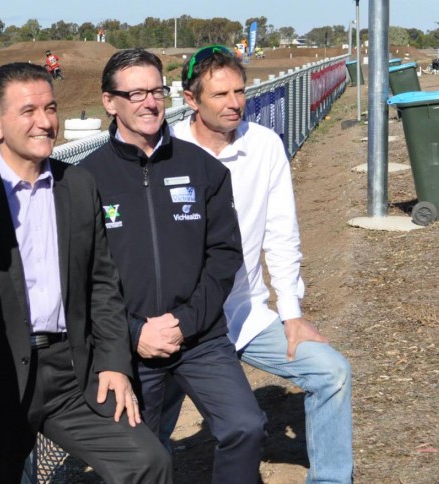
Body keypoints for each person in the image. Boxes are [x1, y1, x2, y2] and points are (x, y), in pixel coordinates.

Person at [0, 62, 171, 484]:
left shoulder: (78, 185)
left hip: (72, 371)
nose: (45, 122)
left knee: (148, 461)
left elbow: (102, 284)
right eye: (29, 111)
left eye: (51, 108)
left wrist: (114, 363)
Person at [165, 44, 354, 483]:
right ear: (190, 99)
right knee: (151, 425)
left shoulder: (265, 144)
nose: (234, 103)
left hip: (245, 314)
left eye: (240, 91)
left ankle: (330, 478)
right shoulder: (167, 150)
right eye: (220, 94)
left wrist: (291, 314)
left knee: (332, 373)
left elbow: (281, 233)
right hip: (178, 325)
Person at [80, 48, 265, 484]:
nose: (150, 102)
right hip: (127, 345)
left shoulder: (203, 168)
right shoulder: (85, 179)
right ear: (110, 102)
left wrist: (184, 322)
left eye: (157, 91)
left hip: (198, 338)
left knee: (245, 425)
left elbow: (223, 256)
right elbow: (80, 274)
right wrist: (133, 332)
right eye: (136, 93)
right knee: (143, 456)